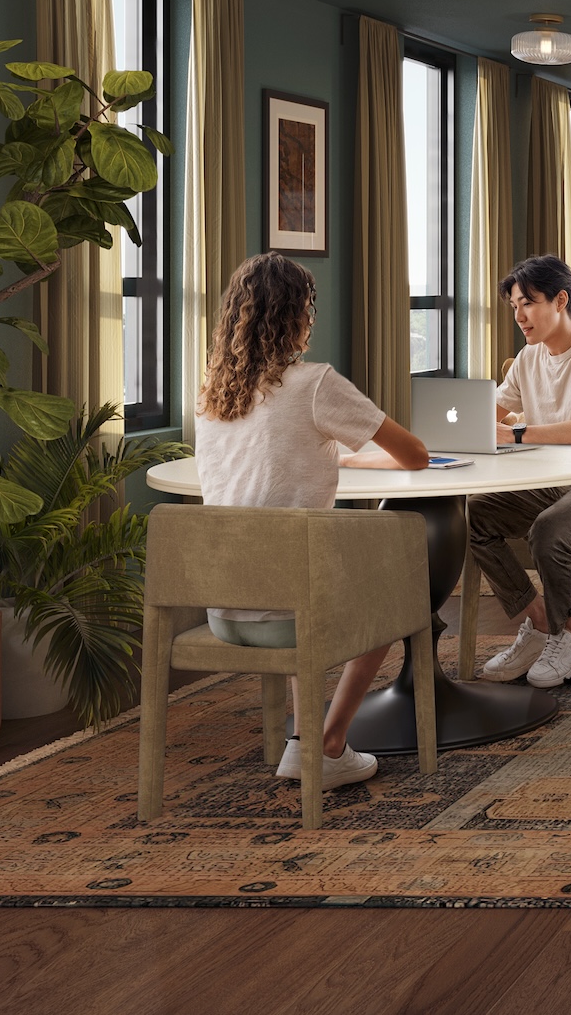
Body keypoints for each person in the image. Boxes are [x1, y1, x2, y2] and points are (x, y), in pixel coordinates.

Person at [194, 252, 432, 790]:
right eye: (310, 307)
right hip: (290, 608)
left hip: (225, 607)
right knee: (396, 592)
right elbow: (415, 455)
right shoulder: (315, 383)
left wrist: (334, 454)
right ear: (296, 316)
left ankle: (301, 743)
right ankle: (326, 744)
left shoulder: (212, 395)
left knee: (304, 571)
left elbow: (275, 458)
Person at [468, 255, 571, 687]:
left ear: (560, 300)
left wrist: (518, 433)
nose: (519, 315)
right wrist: (464, 426)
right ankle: (539, 621)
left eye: (527, 303)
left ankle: (569, 634)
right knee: (472, 515)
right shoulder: (529, 358)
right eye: (513, 306)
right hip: (548, 481)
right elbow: (492, 413)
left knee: (549, 530)